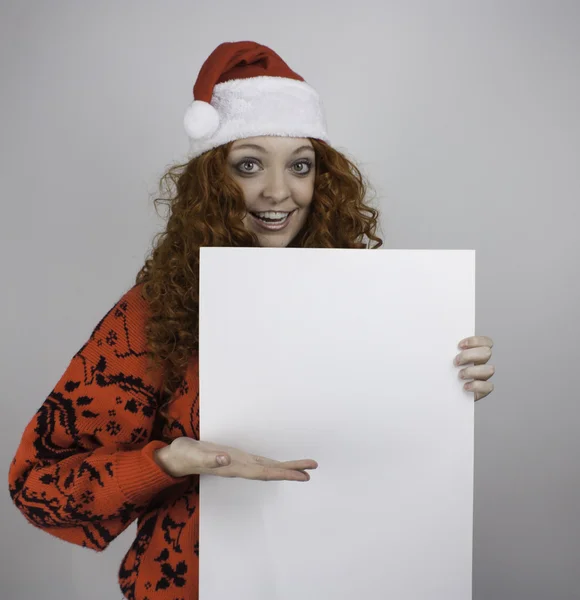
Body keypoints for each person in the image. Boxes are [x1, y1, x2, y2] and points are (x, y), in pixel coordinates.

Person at [7, 40, 496, 600]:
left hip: (356, 576)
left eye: (300, 166)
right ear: (213, 181)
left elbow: (387, 447)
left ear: (322, 181)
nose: (277, 191)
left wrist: (447, 385)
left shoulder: (375, 301)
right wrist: (169, 462)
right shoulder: (157, 307)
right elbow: (38, 486)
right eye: (248, 164)